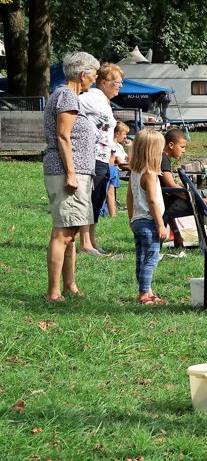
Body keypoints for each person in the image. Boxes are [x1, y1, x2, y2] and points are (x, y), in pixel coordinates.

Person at [42, 51, 100, 302]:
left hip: (76, 172)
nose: (94, 80)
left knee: (72, 233)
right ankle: (53, 292)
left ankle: (70, 285)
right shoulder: (66, 96)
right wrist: (72, 174)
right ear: (82, 74)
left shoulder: (69, 96)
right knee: (63, 232)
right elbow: (63, 137)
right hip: (67, 172)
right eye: (94, 75)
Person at [159, 128, 207, 249]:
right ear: (171, 145)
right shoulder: (162, 159)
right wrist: (200, 200)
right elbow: (171, 187)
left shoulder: (164, 158)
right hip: (175, 203)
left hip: (175, 201)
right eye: (182, 147)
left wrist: (177, 233)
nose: (184, 151)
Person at [78, 63, 123, 254]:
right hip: (92, 157)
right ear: (103, 82)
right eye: (117, 82)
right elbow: (72, 105)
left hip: (103, 158)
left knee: (98, 198)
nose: (120, 85)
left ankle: (92, 241)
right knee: (88, 198)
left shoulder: (104, 101)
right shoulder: (93, 97)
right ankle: (84, 242)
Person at [126, 129, 168, 305]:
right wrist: (160, 224)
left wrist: (131, 218)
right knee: (151, 258)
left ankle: (147, 290)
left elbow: (129, 196)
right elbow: (152, 201)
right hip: (150, 222)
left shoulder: (135, 172)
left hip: (138, 220)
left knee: (141, 258)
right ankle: (144, 293)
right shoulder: (149, 174)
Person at [103, 121, 131, 218]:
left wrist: (130, 147)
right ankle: (113, 213)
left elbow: (128, 159)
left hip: (124, 168)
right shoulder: (112, 145)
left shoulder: (119, 146)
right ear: (117, 134)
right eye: (124, 134)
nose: (125, 137)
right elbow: (121, 163)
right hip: (117, 170)